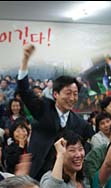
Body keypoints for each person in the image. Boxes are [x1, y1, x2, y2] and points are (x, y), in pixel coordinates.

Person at [18, 44, 94, 180]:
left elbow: (90, 144)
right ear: (55, 94)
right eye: (68, 93)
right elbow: (24, 91)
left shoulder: (79, 123)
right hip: (37, 171)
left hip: (64, 176)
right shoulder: (43, 108)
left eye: (75, 94)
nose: (72, 98)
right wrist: (25, 60)